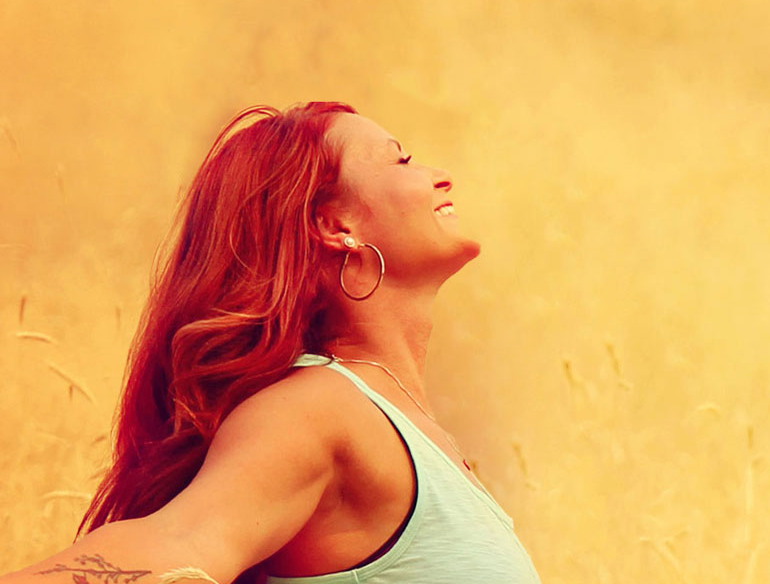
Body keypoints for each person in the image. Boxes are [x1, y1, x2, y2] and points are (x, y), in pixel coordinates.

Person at [1, 102, 541, 584]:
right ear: (335, 224)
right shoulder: (318, 409)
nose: (439, 176)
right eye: (401, 161)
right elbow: (180, 542)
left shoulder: (412, 432)